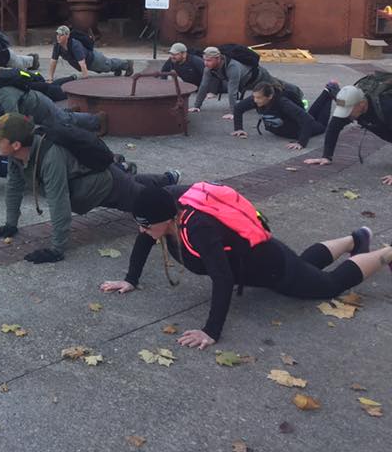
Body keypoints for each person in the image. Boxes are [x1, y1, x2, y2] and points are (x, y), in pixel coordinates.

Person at [100, 184, 392, 348]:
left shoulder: (197, 228)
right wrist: (130, 280)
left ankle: (387, 252)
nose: (142, 231)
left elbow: (223, 278)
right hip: (267, 258)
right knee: (305, 265)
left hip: (273, 269)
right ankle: (355, 239)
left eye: (146, 224)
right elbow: (144, 241)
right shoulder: (167, 218)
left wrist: (211, 331)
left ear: (164, 219)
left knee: (328, 285)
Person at [0, 114, 179, 264]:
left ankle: (181, 190)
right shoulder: (15, 157)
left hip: (105, 184)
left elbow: (58, 201)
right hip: (88, 184)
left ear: (16, 144)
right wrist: (11, 225)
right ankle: (167, 178)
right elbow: (14, 188)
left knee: (148, 202)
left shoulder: (50, 157)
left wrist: (56, 249)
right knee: (133, 181)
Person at [305, 76, 392, 184]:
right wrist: (326, 157)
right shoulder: (348, 102)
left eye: (349, 111)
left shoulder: (387, 107)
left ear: (362, 104)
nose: (347, 114)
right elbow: (333, 127)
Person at [0, 78, 107, 135]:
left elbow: (14, 123)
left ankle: (97, 120)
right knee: (61, 117)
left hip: (39, 107)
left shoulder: (4, 97)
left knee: (63, 121)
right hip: (32, 110)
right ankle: (68, 112)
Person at [190, 46, 289, 119]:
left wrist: (233, 112)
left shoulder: (232, 67)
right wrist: (196, 106)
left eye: (209, 60)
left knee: (280, 88)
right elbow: (203, 85)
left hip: (259, 77)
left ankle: (297, 97)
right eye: (204, 60)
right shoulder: (208, 68)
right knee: (279, 86)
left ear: (218, 58)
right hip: (246, 83)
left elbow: (232, 90)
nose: (205, 63)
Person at [232, 81, 333, 149]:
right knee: (308, 115)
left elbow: (307, 120)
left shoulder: (282, 103)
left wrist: (301, 143)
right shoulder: (256, 100)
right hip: (283, 129)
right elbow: (238, 108)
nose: (255, 100)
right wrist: (238, 129)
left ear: (270, 96)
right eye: (254, 97)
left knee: (321, 126)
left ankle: (329, 93)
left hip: (297, 131)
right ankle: (326, 91)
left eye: (259, 98)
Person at [47, 25, 132, 84]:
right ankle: (118, 68)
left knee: (108, 65)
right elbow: (53, 61)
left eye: (61, 35)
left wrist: (85, 80)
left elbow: (82, 63)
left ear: (67, 36)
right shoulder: (57, 46)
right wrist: (50, 78)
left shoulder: (75, 45)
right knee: (106, 68)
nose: (58, 37)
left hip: (94, 59)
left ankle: (127, 64)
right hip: (88, 63)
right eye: (57, 34)